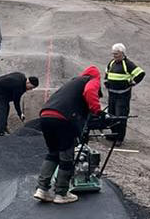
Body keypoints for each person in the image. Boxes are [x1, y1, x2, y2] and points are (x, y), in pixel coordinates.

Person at [34, 66, 103, 205]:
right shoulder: (92, 80)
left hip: (46, 115)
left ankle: (42, 189)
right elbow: (90, 92)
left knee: (53, 153)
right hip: (63, 119)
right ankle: (61, 193)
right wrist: (97, 111)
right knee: (66, 156)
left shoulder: (73, 82)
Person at [104, 43, 145, 145]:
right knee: (111, 115)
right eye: (113, 54)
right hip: (112, 95)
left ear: (122, 53)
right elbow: (107, 73)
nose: (114, 56)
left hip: (122, 96)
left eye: (116, 54)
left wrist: (132, 83)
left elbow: (140, 73)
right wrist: (106, 81)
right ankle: (113, 134)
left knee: (120, 116)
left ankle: (119, 138)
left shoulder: (127, 64)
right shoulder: (111, 63)